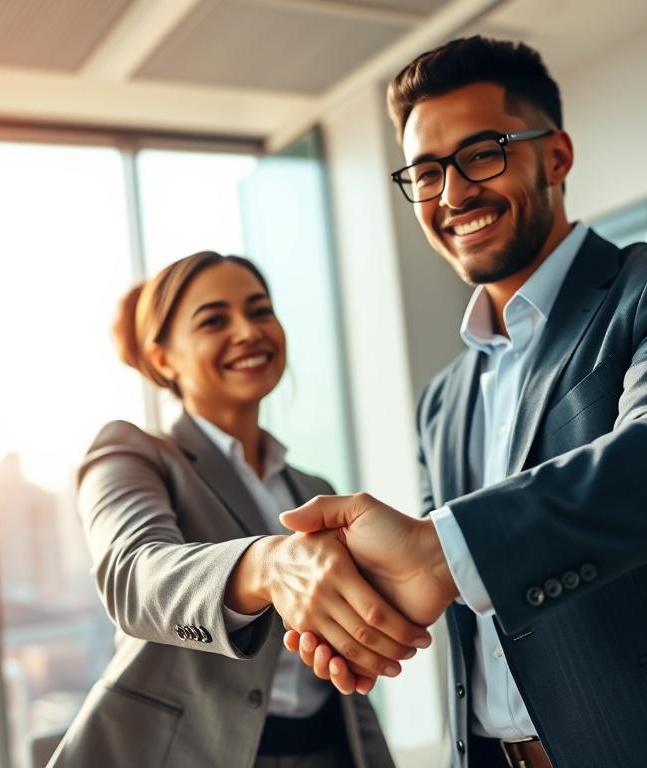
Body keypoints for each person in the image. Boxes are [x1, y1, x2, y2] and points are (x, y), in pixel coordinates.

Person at [279, 37, 647, 768]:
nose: (452, 194)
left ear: (557, 156)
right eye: (426, 172)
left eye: (482, 153)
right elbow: (449, 580)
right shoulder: (442, 401)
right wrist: (353, 610)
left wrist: (432, 551)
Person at [48, 251, 425, 768]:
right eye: (214, 321)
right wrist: (267, 567)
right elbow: (133, 575)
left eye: (260, 311)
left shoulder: (313, 488)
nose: (248, 332)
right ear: (162, 358)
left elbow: (343, 678)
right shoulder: (134, 453)